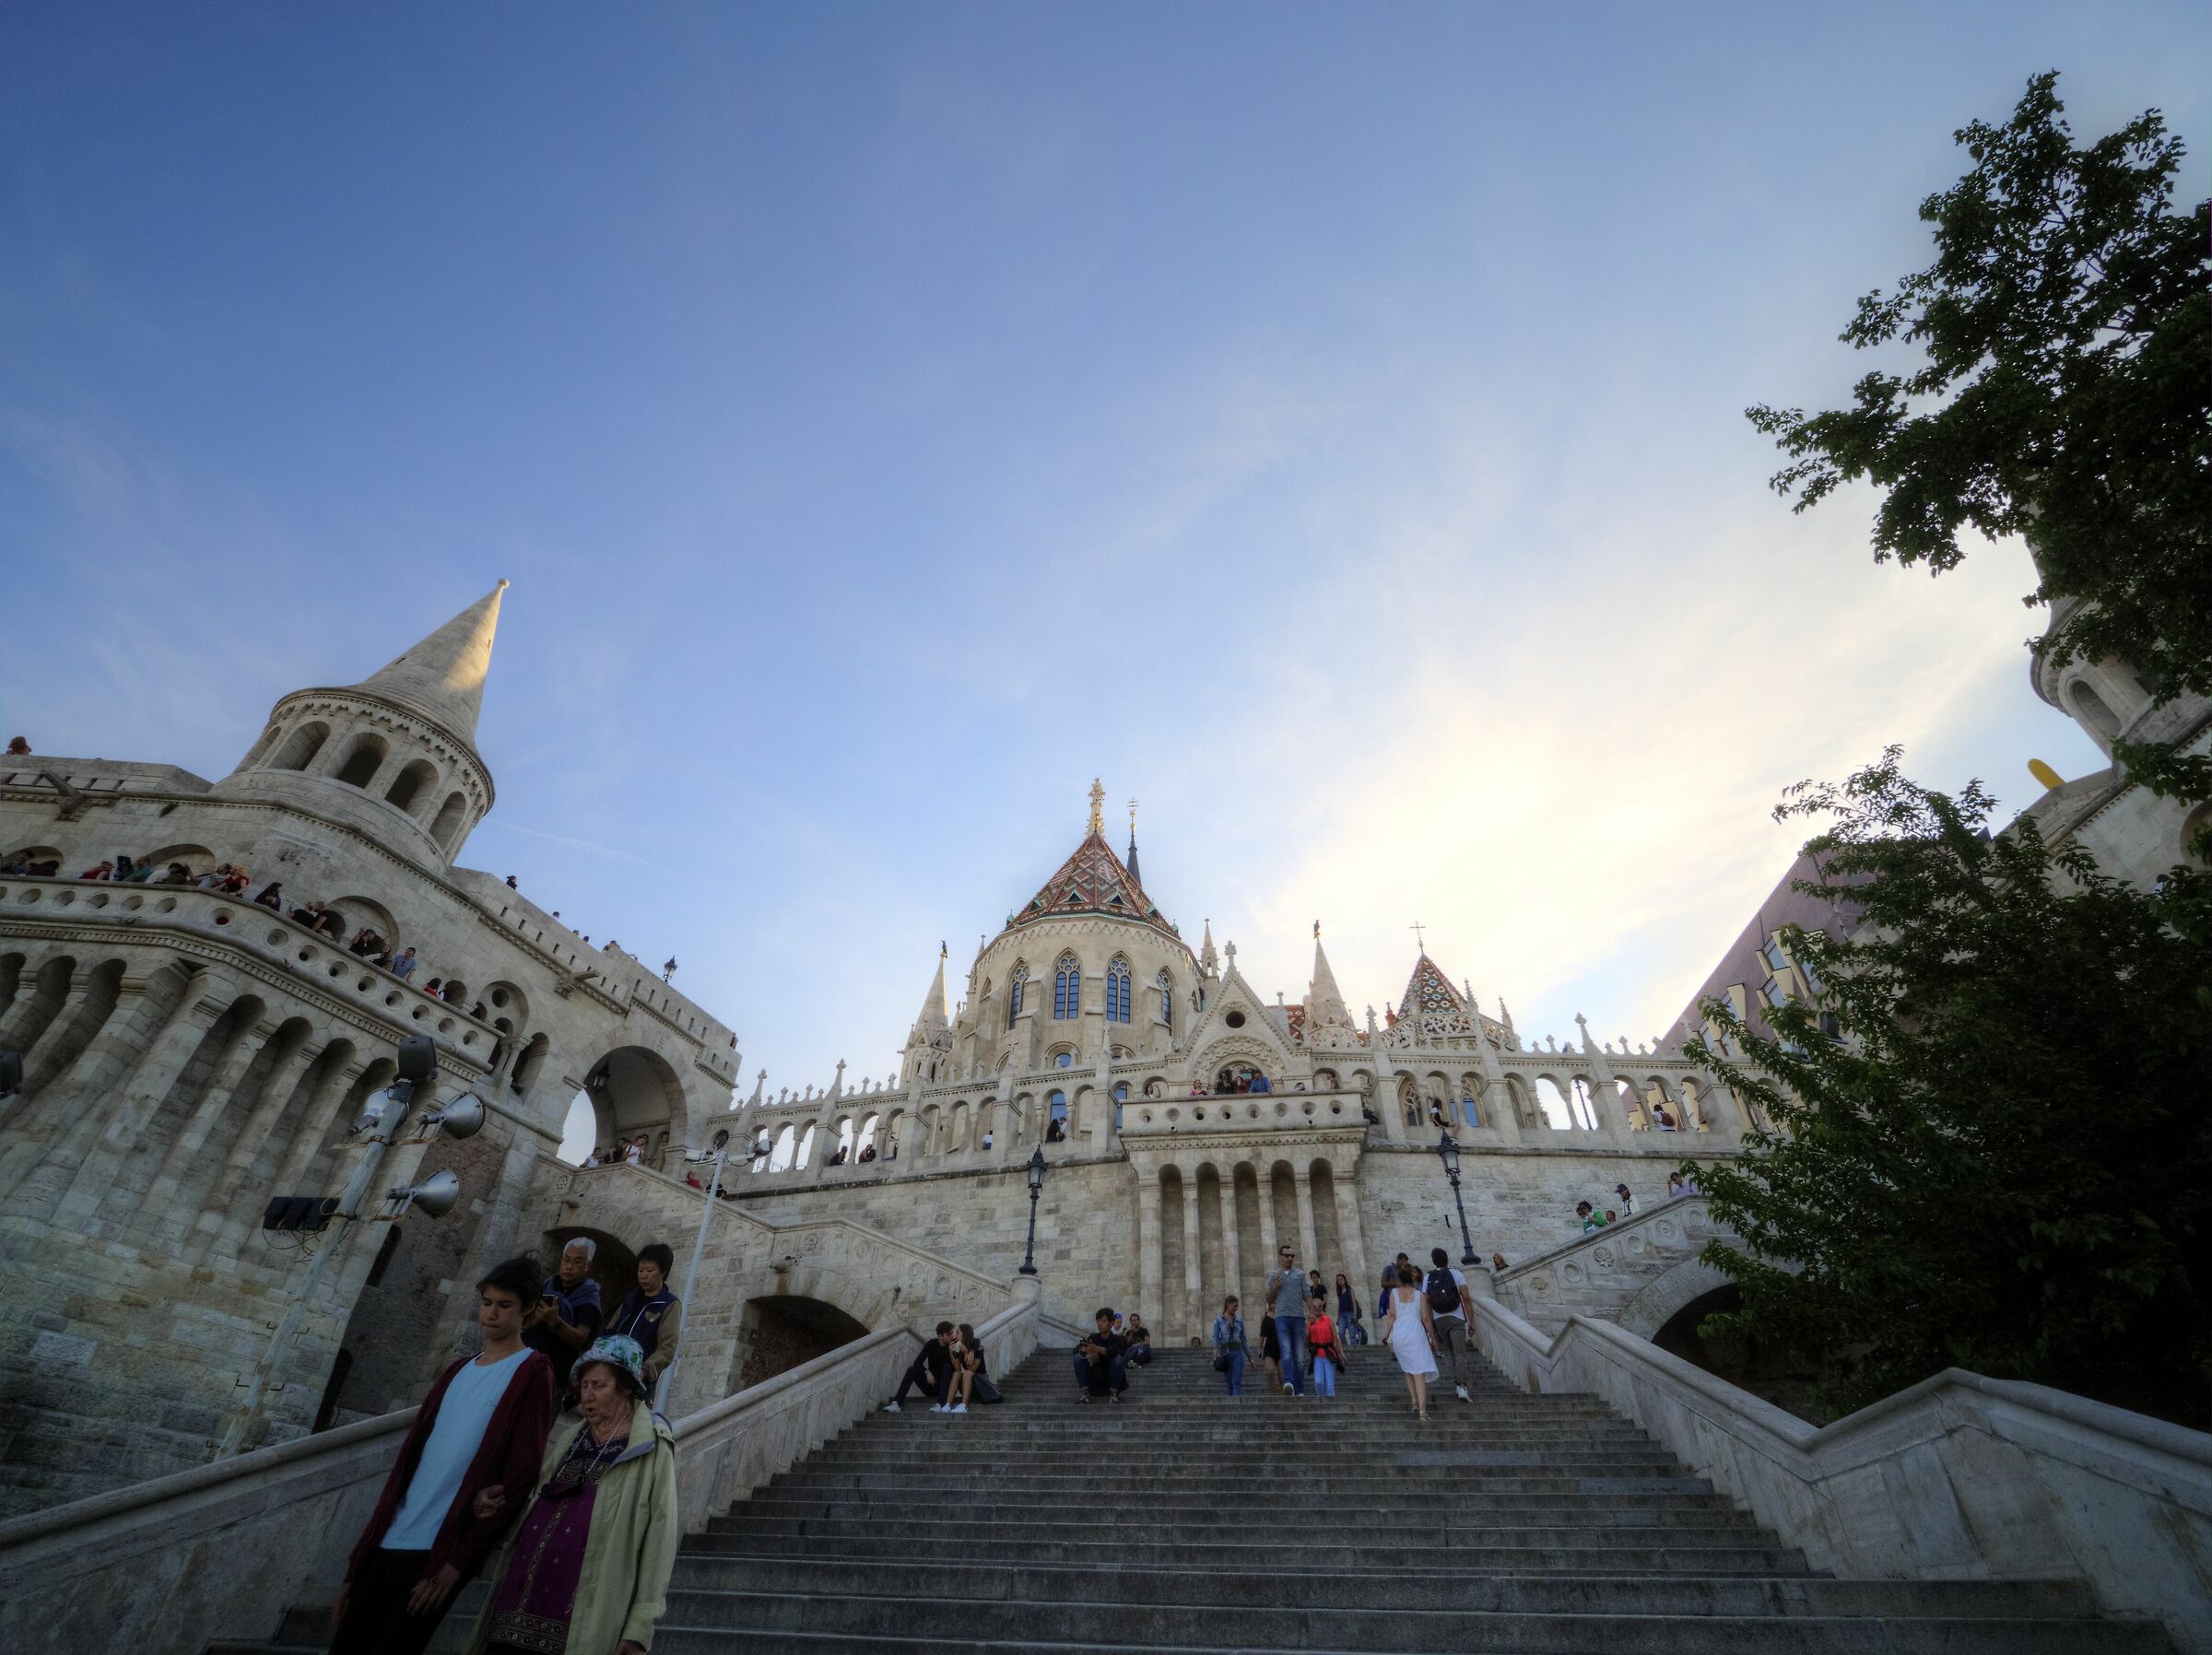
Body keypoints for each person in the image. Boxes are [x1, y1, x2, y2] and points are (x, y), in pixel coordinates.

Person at [329, 1257, 559, 1655]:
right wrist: (358, 1563)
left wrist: (458, 1562)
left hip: (439, 1551)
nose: (491, 1314)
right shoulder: (455, 1371)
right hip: (389, 1541)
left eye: (504, 1305)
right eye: (487, 1302)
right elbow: (407, 1467)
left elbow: (522, 1474)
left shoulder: (533, 1371)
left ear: (527, 1310)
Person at [465, 1334, 678, 1655]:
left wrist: (640, 1626)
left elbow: (660, 1539)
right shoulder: (570, 1439)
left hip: (579, 1624)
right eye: (585, 1385)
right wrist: (498, 1508)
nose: (587, 1395)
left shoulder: (651, 1447)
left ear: (625, 1387)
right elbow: (536, 1502)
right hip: (514, 1608)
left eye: (599, 1385)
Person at [606, 1242, 683, 1399]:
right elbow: (610, 1330)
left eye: (649, 1270)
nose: (643, 1275)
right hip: (610, 1371)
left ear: (663, 1272)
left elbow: (667, 1346)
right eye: (640, 1270)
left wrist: (645, 1370)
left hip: (637, 1382)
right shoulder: (630, 1299)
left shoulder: (669, 1305)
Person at [523, 1238, 606, 1377]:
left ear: (587, 1265)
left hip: (553, 1369)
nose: (569, 1266)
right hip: (524, 1355)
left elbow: (581, 1339)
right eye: (567, 1260)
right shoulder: (545, 1286)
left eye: (577, 1262)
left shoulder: (587, 1298)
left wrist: (555, 1322)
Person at [1381, 1262, 1440, 1422]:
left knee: (1408, 1368)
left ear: (1400, 1279)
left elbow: (1392, 1315)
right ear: (1412, 1279)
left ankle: (1414, 1401)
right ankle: (1422, 1412)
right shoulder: (1420, 1295)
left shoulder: (1393, 1293)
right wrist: (1433, 1338)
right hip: (1415, 1333)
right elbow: (1426, 1319)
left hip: (1399, 1334)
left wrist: (1386, 1334)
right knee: (1419, 1373)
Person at [1424, 1247, 1474, 1403]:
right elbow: (1466, 1297)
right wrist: (1471, 1321)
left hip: (1439, 1319)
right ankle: (1462, 1387)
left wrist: (1430, 1326)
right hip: (1456, 1317)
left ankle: (1458, 1383)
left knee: (1452, 1353)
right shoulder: (1456, 1274)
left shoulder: (1428, 1277)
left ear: (1433, 1261)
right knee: (1459, 1353)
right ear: (1447, 1259)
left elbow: (1426, 1302)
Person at [885, 1321, 959, 1412]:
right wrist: (927, 1372)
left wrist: (952, 1351)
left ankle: (940, 1404)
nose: (951, 1336)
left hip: (944, 1388)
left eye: (952, 1333)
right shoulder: (932, 1344)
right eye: (948, 1334)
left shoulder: (953, 1346)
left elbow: (957, 1369)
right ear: (940, 1336)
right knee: (911, 1370)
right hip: (930, 1385)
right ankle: (897, 1403)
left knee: (947, 1367)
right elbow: (917, 1363)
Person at [1266, 1245, 1309, 1397]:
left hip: (1298, 1317)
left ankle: (1299, 1390)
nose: (1290, 1258)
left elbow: (1307, 1294)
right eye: (1287, 1256)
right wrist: (1274, 1287)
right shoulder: (1274, 1275)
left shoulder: (1300, 1274)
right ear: (1280, 1256)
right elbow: (1269, 1299)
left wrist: (1312, 1313)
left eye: (1292, 1256)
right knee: (1286, 1351)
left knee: (1300, 1356)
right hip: (1282, 1317)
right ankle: (1288, 1382)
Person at [1072, 1308, 1127, 1403]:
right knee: (1078, 1358)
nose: (1100, 1324)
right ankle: (1085, 1395)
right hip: (1095, 1377)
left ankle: (1113, 1395)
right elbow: (1076, 1349)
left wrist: (1095, 1349)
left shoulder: (1117, 1339)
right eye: (1098, 1321)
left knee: (1117, 1359)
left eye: (1103, 1321)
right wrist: (1084, 1350)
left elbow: (1112, 1351)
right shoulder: (1093, 1337)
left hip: (1111, 1378)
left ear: (1111, 1323)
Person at [1307, 1292, 1343, 1400]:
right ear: (1312, 1308)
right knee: (1318, 1383)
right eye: (1315, 1307)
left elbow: (1336, 1338)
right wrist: (1309, 1327)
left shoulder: (1328, 1320)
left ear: (1322, 1307)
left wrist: (1341, 1353)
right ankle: (1321, 1402)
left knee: (1330, 1386)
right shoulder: (1309, 1322)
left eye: (1319, 1306)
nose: (1317, 1309)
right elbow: (1307, 1342)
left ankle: (1330, 1406)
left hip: (1329, 1355)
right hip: (1317, 1356)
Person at [957, 1322, 1002, 1404]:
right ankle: (946, 1404)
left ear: (964, 1334)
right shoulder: (960, 1350)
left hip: (981, 1382)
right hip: (970, 1384)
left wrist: (966, 1352)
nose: (956, 1335)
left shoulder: (978, 1349)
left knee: (967, 1373)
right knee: (957, 1374)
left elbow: (972, 1370)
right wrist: (952, 1353)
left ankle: (964, 1405)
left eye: (958, 1333)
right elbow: (957, 1369)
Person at [1211, 1296, 1248, 1396]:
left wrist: (1250, 1358)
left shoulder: (1239, 1320)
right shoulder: (1219, 1320)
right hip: (1225, 1353)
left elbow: (1243, 1340)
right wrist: (1215, 1348)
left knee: (1236, 1381)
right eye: (1234, 1306)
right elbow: (1215, 1336)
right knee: (1229, 1383)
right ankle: (1232, 1401)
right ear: (1228, 1304)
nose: (1236, 1308)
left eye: (1237, 1306)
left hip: (1237, 1353)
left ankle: (1235, 1402)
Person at [1334, 1272, 1365, 1346]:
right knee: (1341, 1333)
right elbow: (1339, 1305)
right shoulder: (1339, 1292)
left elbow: (1354, 1302)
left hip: (1350, 1314)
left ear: (1345, 1280)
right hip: (1342, 1315)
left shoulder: (1350, 1290)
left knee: (1352, 1334)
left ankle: (1354, 1349)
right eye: (1338, 1280)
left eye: (1341, 1279)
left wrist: (1354, 1314)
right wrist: (1338, 1317)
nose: (1340, 1281)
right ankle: (1346, 1348)